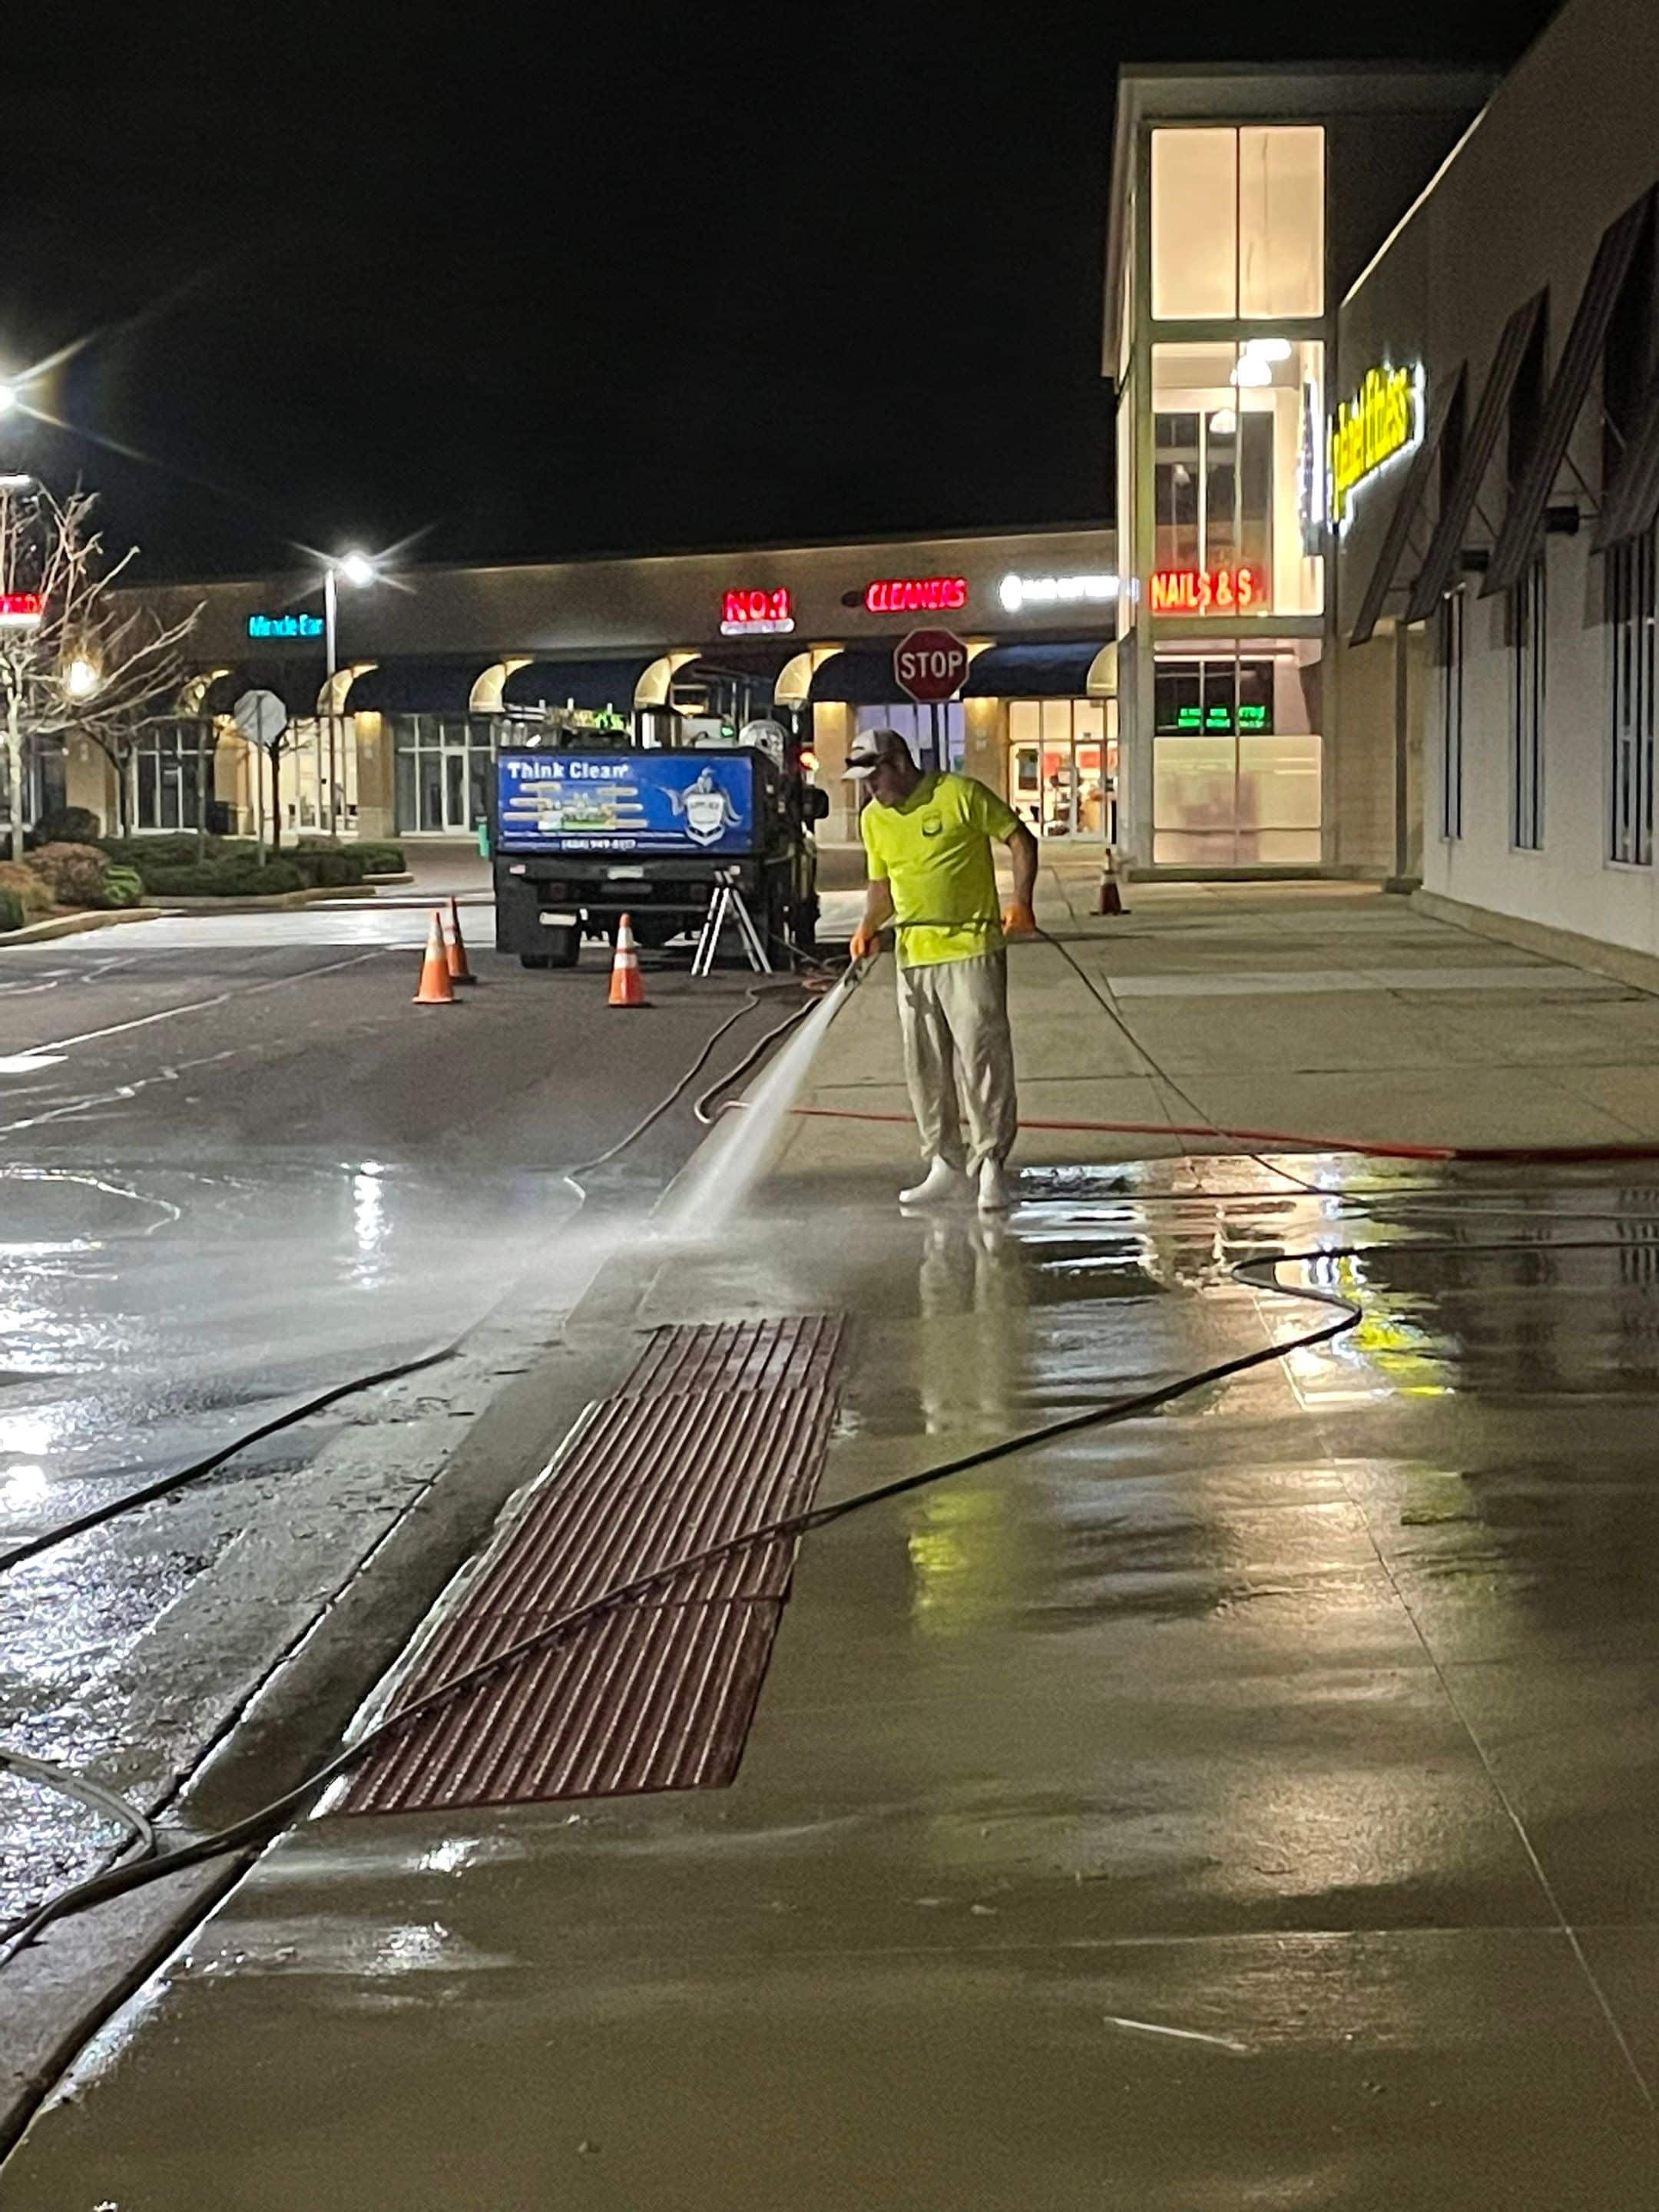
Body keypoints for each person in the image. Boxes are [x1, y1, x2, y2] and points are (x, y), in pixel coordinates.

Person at [846, 727, 1038, 1211]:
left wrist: (1021, 902)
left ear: (900, 763)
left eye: (875, 778)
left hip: (971, 947)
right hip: (914, 957)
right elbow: (882, 886)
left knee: (982, 1058)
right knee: (925, 1067)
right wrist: (868, 924)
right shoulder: (875, 820)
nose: (870, 789)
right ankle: (945, 1164)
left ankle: (990, 1163)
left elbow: (1019, 839)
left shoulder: (959, 795)